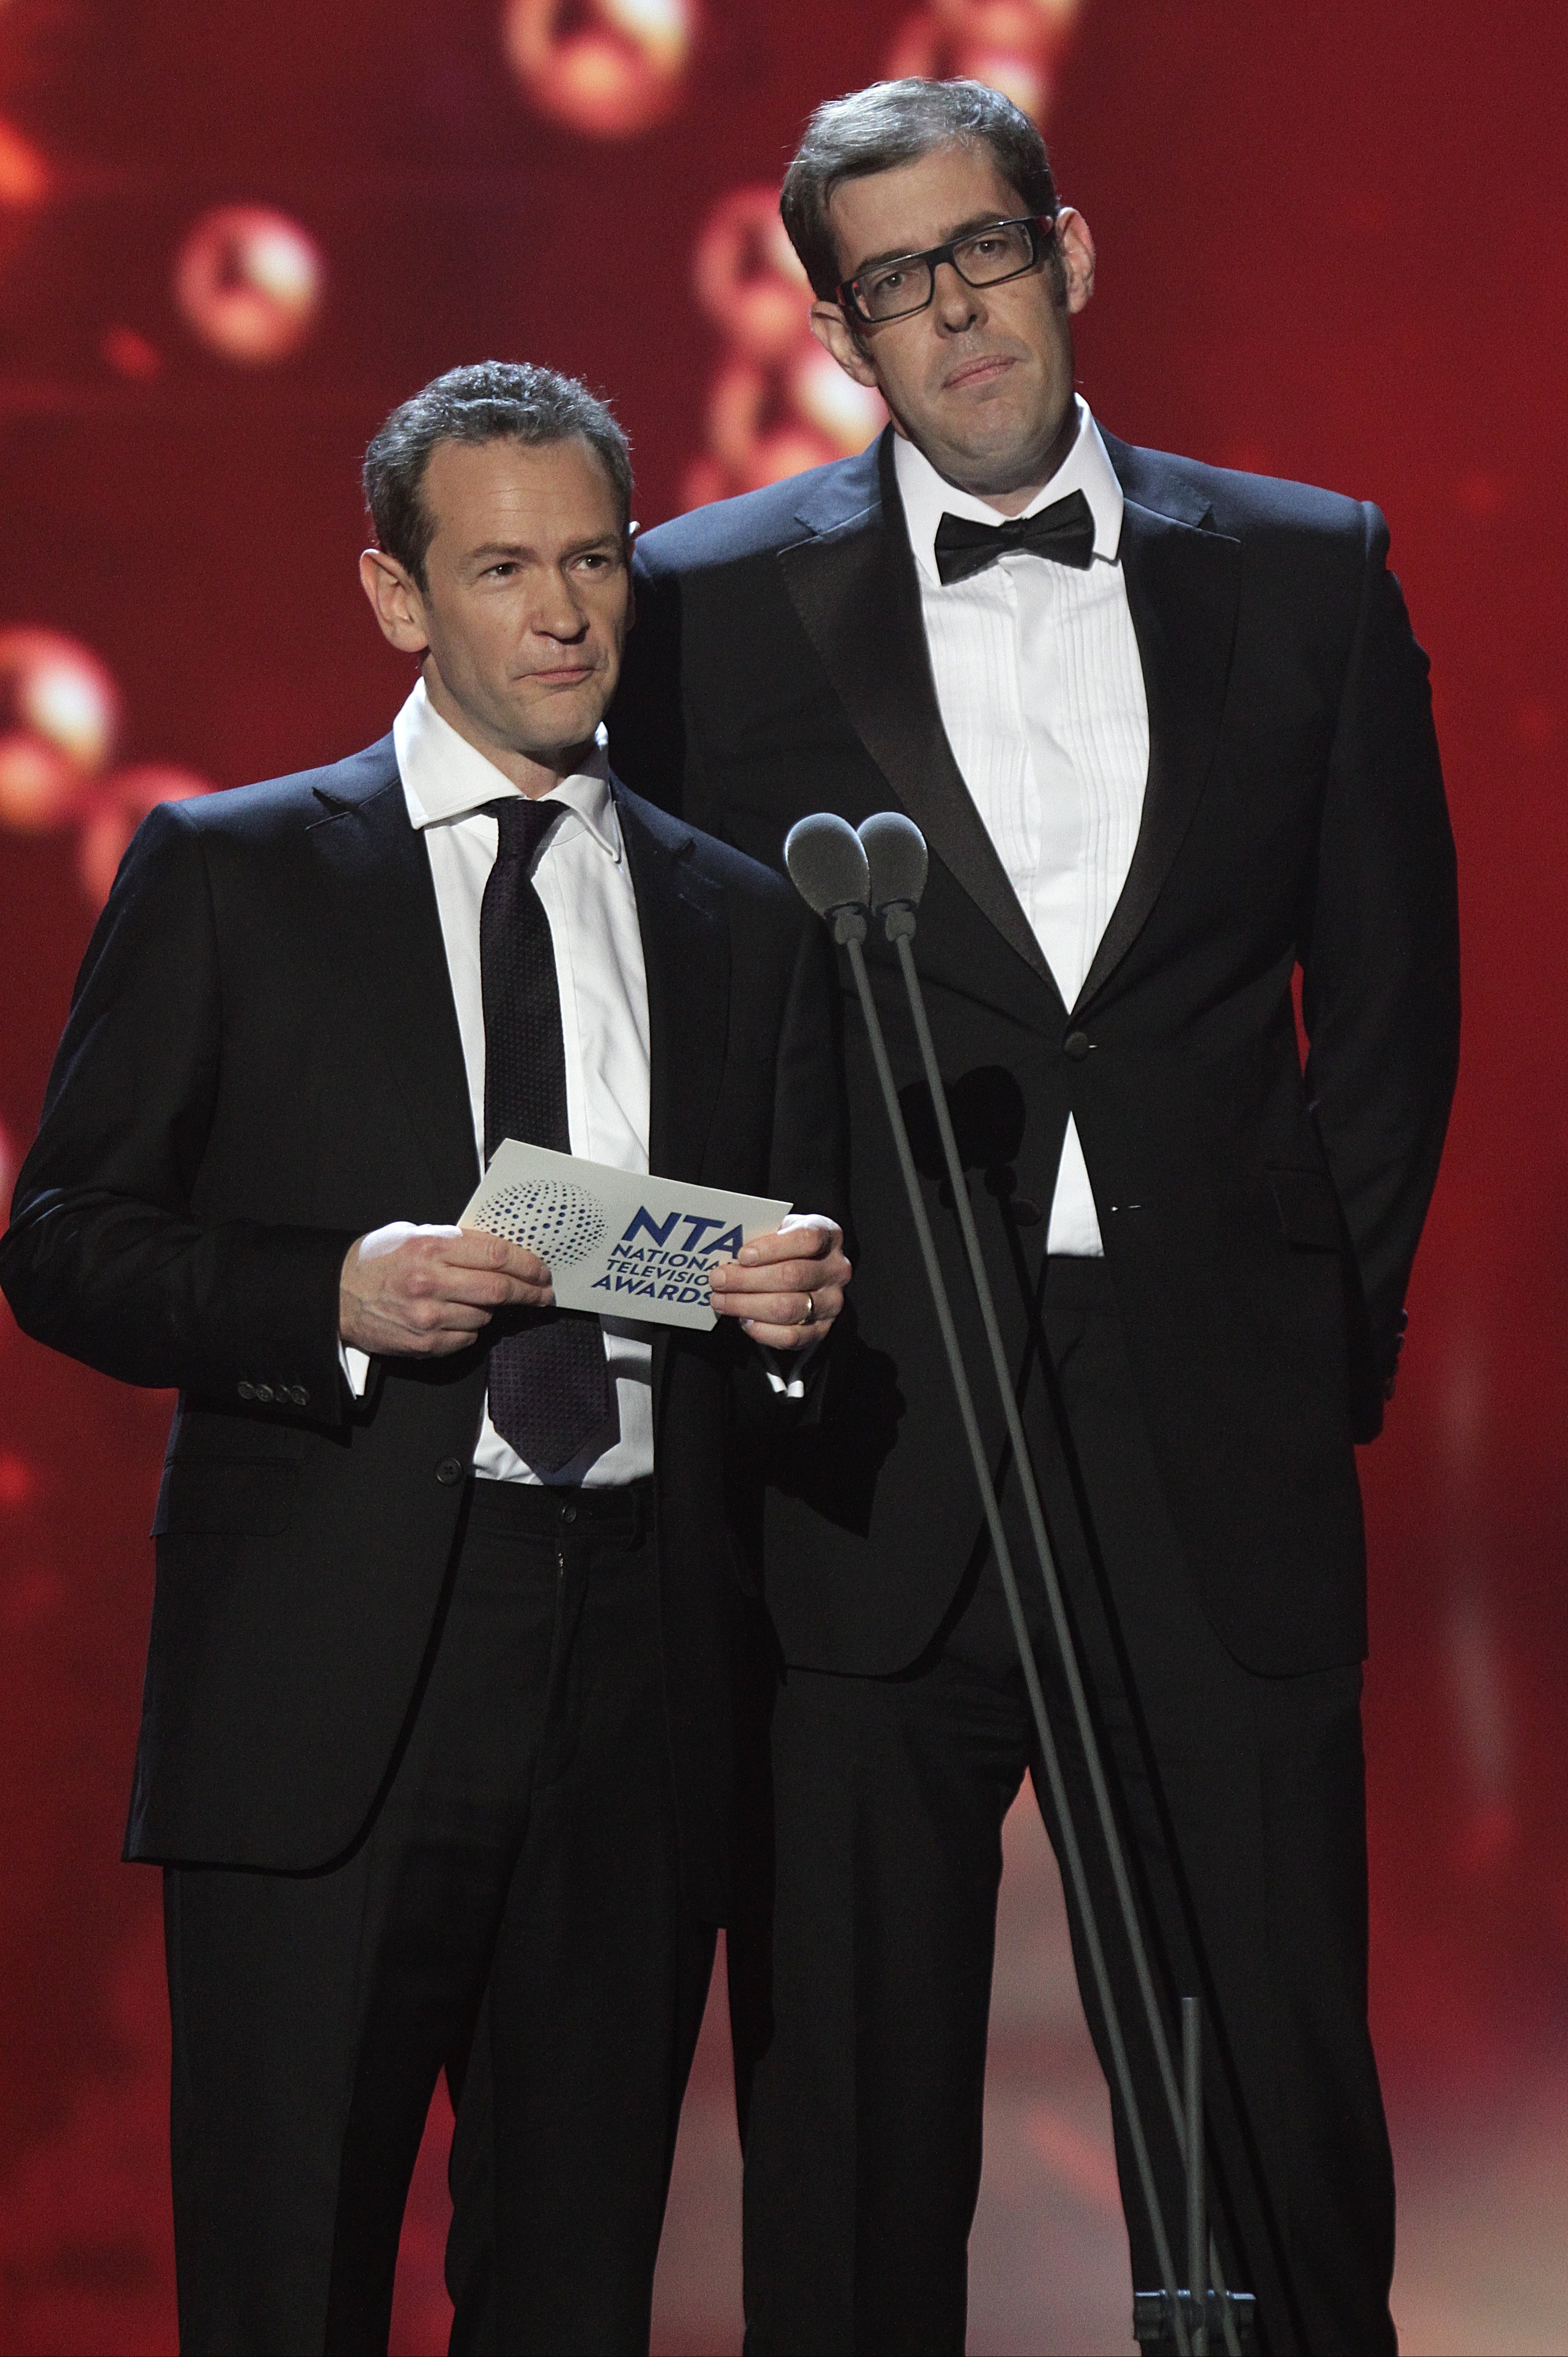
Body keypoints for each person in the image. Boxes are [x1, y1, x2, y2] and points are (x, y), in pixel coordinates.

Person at [608, 79, 1460, 2357]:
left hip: (1211, 1422)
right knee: (853, 2092)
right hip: (865, 1429)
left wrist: (1311, 1343)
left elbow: (1387, 1016)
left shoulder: (1310, 566)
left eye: (979, 251)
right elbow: (657, 1017)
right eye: (891, 279)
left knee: (1269, 2066)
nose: (952, 308)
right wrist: (739, 1334)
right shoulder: (693, 612)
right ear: (832, 330)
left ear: (1067, 252)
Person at [0, 359, 851, 2356]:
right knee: (289, 2278)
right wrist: (333, 1292)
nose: (559, 612)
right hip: (339, 1667)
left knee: (573, 2288)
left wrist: (803, 1313)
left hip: (644, 1663)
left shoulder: (740, 917)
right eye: (497, 567)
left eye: (589, 561)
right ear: (397, 596)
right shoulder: (233, 871)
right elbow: (62, 1247)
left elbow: (786, 1288)